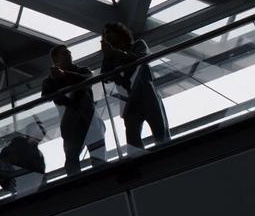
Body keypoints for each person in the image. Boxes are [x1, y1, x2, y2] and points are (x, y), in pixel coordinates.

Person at [100, 22, 170, 150]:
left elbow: (142, 58)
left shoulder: (138, 45)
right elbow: (105, 77)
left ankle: (165, 153)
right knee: (132, 138)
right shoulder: (109, 58)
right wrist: (108, 57)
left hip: (146, 95)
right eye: (104, 35)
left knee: (160, 131)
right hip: (129, 100)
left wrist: (115, 53)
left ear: (119, 33)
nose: (106, 36)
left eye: (108, 32)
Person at [41, 45, 106, 176]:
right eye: (65, 54)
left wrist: (64, 76)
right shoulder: (50, 80)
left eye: (69, 53)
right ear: (55, 59)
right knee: (73, 159)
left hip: (87, 120)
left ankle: (100, 178)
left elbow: (88, 80)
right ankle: (79, 182)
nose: (69, 55)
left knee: (92, 157)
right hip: (74, 123)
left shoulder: (82, 71)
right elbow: (46, 96)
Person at [0, 119, 46, 195]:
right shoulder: (17, 147)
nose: (44, 131)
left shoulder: (36, 153)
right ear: (31, 132)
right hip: (26, 188)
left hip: (26, 189)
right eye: (40, 128)